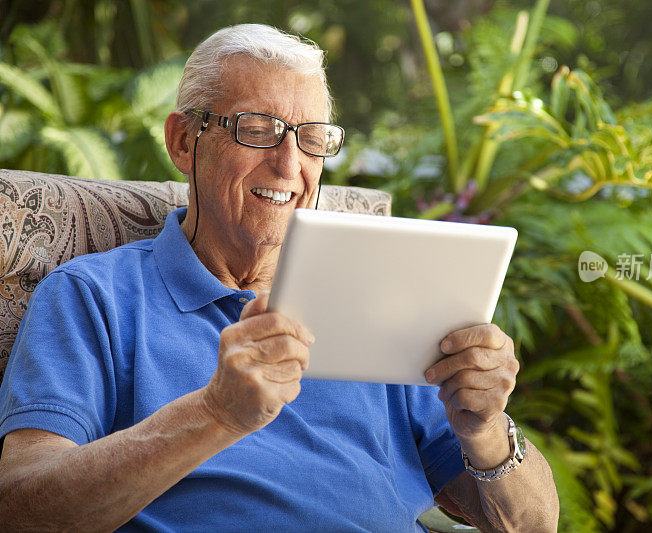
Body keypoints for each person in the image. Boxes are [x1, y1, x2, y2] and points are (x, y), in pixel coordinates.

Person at [0, 24, 558, 531]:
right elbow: (21, 509)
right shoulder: (93, 296)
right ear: (183, 142)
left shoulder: (382, 300)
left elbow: (534, 525)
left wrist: (485, 428)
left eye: (312, 138)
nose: (291, 165)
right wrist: (215, 414)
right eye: (257, 129)